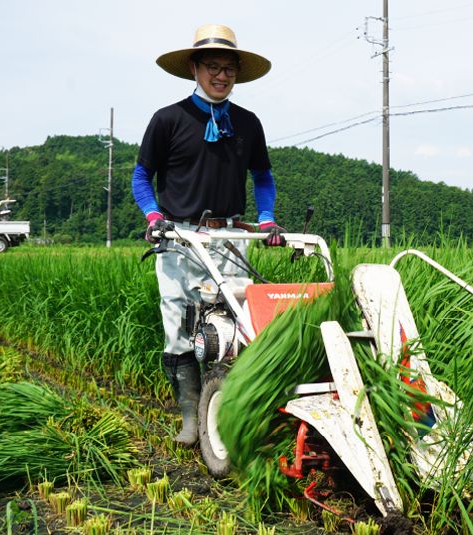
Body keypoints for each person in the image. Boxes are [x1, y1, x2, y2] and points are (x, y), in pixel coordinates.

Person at [131, 24, 286, 448]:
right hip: (178, 237)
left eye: (229, 68)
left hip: (231, 237)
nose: (222, 75)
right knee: (180, 327)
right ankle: (189, 419)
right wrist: (153, 216)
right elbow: (142, 175)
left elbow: (263, 176)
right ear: (195, 68)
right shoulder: (168, 120)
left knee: (234, 328)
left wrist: (268, 219)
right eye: (213, 66)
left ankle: (226, 416)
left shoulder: (248, 124)